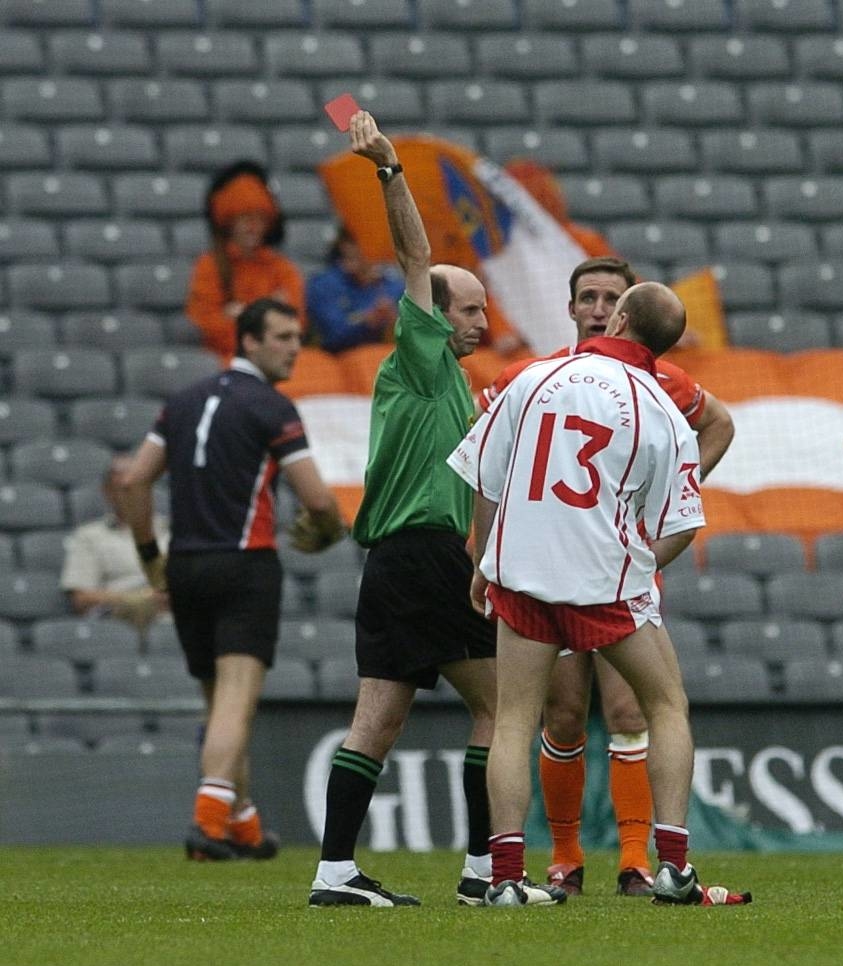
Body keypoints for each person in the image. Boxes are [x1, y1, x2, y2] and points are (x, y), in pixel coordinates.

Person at [450, 280, 750, 908]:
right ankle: (672, 868)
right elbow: (684, 522)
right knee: (665, 706)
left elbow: (483, 472)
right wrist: (636, 569)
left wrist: (482, 557)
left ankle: (505, 878)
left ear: (615, 317)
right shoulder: (662, 409)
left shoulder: (534, 377)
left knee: (513, 719)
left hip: (524, 573)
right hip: (604, 583)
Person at [306, 111, 497, 909]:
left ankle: (336, 874)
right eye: (469, 311)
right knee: (505, 706)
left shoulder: (452, 385)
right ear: (432, 315)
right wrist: (389, 169)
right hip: (423, 554)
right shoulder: (420, 355)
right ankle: (488, 873)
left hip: (391, 563)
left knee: (376, 722)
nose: (481, 323)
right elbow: (415, 254)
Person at [117, 297, 346, 861]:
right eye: (284, 337)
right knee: (237, 702)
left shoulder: (183, 402)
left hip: (187, 564)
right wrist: (326, 531)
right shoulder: (273, 409)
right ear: (249, 342)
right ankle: (208, 820)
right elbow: (317, 499)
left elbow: (133, 481)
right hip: (245, 566)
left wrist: (150, 554)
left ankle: (242, 823)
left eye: (297, 336)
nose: (295, 347)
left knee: (216, 700)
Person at [185, 161, 305, 359]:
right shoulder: (209, 266)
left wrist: (243, 319)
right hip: (228, 358)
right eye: (245, 219)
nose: (253, 227)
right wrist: (269, 319)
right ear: (229, 221)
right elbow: (207, 326)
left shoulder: (283, 268)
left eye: (260, 219)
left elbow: (296, 324)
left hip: (278, 358)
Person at [61, 453, 170, 637]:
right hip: (115, 621)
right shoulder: (90, 536)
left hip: (168, 620)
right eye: (123, 488)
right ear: (108, 492)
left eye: (139, 485)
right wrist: (138, 599)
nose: (132, 493)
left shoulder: (172, 531)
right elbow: (80, 598)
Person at [305, 227, 406, 353]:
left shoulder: (395, 286)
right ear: (342, 245)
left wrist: (396, 322)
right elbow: (331, 334)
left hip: (387, 360)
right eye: (351, 242)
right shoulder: (323, 284)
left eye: (367, 242)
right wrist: (367, 321)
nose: (355, 250)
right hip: (339, 363)